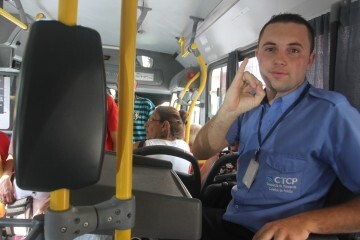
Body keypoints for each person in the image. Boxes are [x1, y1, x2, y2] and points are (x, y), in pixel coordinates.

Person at [192, 13, 360, 240]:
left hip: (283, 234)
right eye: (271, 49)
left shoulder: (332, 112)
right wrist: (228, 110)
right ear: (258, 56)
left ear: (310, 60)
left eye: (293, 50)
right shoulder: (247, 103)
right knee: (160, 217)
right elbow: (201, 151)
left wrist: (306, 223)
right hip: (232, 221)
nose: (280, 60)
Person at [133, 106, 191, 174]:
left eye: (151, 120)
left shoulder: (142, 146)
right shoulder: (186, 148)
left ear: (164, 126)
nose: (146, 124)